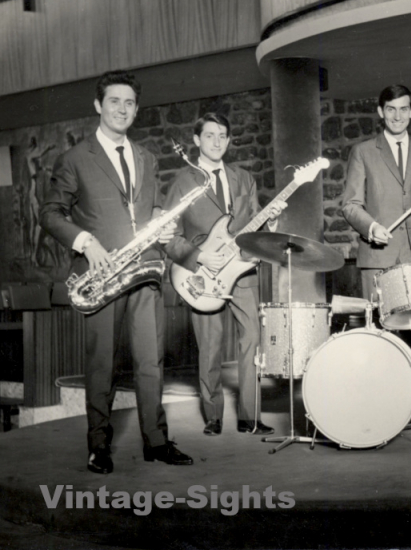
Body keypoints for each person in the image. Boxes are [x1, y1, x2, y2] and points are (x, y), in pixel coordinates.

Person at [40, 70, 193, 474]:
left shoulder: (147, 158)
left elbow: (150, 208)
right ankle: (99, 446)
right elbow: (50, 213)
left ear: (136, 109)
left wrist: (163, 222)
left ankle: (156, 441)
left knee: (151, 360)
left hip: (145, 270)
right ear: (98, 105)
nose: (122, 110)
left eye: (129, 103)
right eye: (114, 101)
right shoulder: (74, 159)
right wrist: (85, 242)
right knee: (102, 364)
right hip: (102, 275)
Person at [164, 112, 285, 436]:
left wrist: (272, 221)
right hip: (202, 275)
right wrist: (200, 256)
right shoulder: (183, 182)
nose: (216, 142)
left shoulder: (244, 178)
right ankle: (213, 416)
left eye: (222, 136)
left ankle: (249, 417)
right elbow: (169, 237)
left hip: (243, 272)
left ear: (229, 141)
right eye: (209, 135)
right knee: (210, 346)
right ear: (196, 140)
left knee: (253, 341)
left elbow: (254, 227)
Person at [342, 84, 411, 421]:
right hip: (378, 256)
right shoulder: (363, 152)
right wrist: (371, 227)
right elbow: (350, 205)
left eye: (403, 109)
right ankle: (382, 406)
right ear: (380, 112)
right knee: (380, 333)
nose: (397, 116)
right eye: (390, 109)